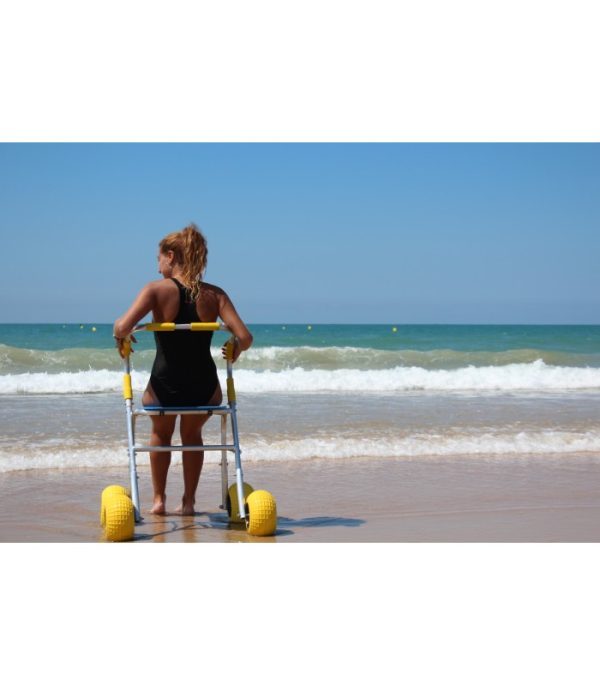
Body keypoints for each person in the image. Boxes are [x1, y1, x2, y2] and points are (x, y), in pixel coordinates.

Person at [113, 223, 253, 516]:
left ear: (171, 256)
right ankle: (188, 502)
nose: (157, 267)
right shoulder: (216, 295)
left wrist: (121, 338)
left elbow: (121, 326)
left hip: (164, 386)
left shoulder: (155, 290)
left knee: (160, 434)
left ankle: (159, 500)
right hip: (204, 389)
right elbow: (245, 337)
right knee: (192, 435)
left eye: (159, 260)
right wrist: (235, 350)